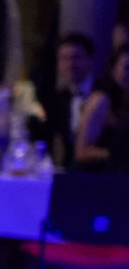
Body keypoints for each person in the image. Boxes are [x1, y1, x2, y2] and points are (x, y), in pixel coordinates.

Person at [38, 32, 97, 167]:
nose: (70, 64)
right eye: (64, 59)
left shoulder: (105, 93)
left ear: (90, 59)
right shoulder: (59, 98)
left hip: (106, 173)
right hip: (70, 171)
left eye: (76, 57)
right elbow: (44, 134)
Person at [72, 45, 129, 170]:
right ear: (113, 70)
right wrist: (115, 154)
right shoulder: (101, 99)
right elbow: (81, 152)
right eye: (127, 68)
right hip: (95, 176)